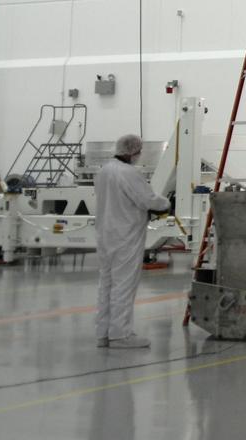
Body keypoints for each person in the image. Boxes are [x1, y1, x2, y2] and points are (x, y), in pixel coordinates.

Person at [95, 134, 169, 349]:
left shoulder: (104, 171)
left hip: (105, 235)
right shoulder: (129, 173)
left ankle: (103, 333)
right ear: (134, 152)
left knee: (106, 285)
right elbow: (148, 200)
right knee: (123, 285)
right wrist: (165, 204)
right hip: (125, 236)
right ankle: (120, 335)